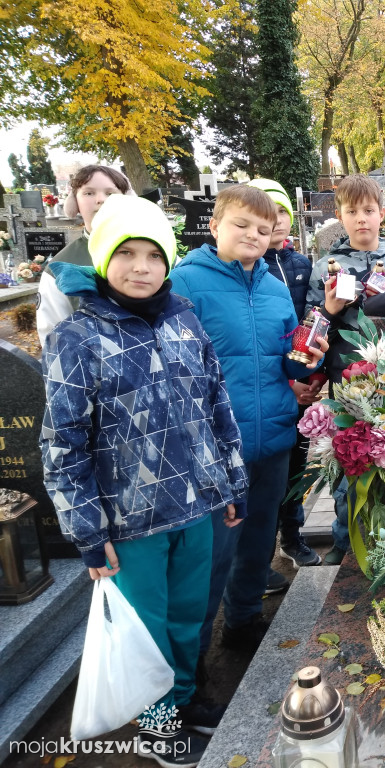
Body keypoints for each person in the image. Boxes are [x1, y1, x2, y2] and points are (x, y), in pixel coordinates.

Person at [39, 196, 247, 766]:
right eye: (125, 254)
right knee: (147, 628)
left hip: (196, 503)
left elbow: (216, 404)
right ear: (104, 259)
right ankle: (157, 726)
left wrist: (230, 482)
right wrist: (86, 529)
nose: (140, 268)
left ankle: (182, 699)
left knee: (188, 617)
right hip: (130, 520)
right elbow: (62, 441)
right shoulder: (77, 338)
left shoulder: (183, 318)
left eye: (152, 255)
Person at [172, 184, 326, 656]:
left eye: (263, 229)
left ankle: (242, 622)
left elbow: (286, 359)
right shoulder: (185, 283)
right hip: (217, 445)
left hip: (272, 437)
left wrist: (307, 362)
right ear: (215, 225)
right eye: (241, 224)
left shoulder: (277, 290)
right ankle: (191, 669)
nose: (253, 235)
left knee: (259, 541)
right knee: (211, 558)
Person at [304, 175, 385, 565]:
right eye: (352, 211)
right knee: (351, 463)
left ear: (382, 214)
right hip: (348, 385)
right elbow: (310, 327)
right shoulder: (326, 265)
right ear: (340, 215)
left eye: (369, 211)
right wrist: (330, 310)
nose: (362, 219)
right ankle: (347, 546)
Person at [246, 178, 322, 575]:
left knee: (296, 465)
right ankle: (255, 559)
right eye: (268, 215)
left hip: (300, 378)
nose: (276, 222)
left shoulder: (300, 265)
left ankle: (291, 538)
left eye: (282, 215)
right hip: (267, 384)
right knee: (260, 477)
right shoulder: (246, 268)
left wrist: (309, 379)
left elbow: (312, 322)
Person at [36, 165, 134, 344]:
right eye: (89, 193)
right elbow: (53, 339)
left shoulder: (160, 253)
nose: (100, 200)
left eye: (110, 193)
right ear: (76, 204)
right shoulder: (59, 268)